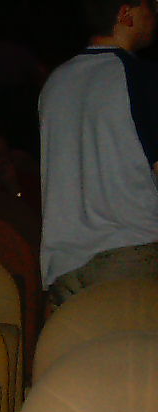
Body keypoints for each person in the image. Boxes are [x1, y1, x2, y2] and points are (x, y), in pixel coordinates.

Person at [39, 0, 158, 309]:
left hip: (64, 267)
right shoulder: (141, 77)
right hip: (131, 255)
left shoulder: (56, 82)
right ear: (126, 13)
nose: (155, 14)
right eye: (151, 5)